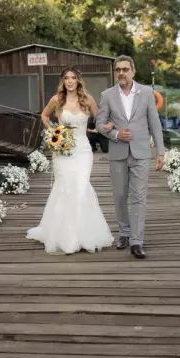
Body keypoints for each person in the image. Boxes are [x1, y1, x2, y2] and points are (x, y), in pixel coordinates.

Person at [26, 68, 113, 255]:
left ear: (78, 80)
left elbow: (99, 120)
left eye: (73, 78)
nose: (70, 81)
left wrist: (109, 126)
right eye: (67, 78)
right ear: (63, 81)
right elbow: (44, 115)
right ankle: (65, 237)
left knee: (81, 189)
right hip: (63, 151)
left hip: (82, 150)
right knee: (64, 189)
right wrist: (53, 132)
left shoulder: (87, 99)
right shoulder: (57, 99)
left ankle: (83, 235)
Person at [96, 55, 165, 259]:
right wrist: (115, 134)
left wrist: (159, 151)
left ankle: (137, 241)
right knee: (119, 196)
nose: (121, 73)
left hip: (141, 152)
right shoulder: (107, 95)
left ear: (133, 71)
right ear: (114, 72)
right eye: (118, 70)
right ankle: (124, 233)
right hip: (118, 152)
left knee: (139, 197)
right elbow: (100, 123)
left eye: (125, 69)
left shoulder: (146, 93)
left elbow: (154, 123)